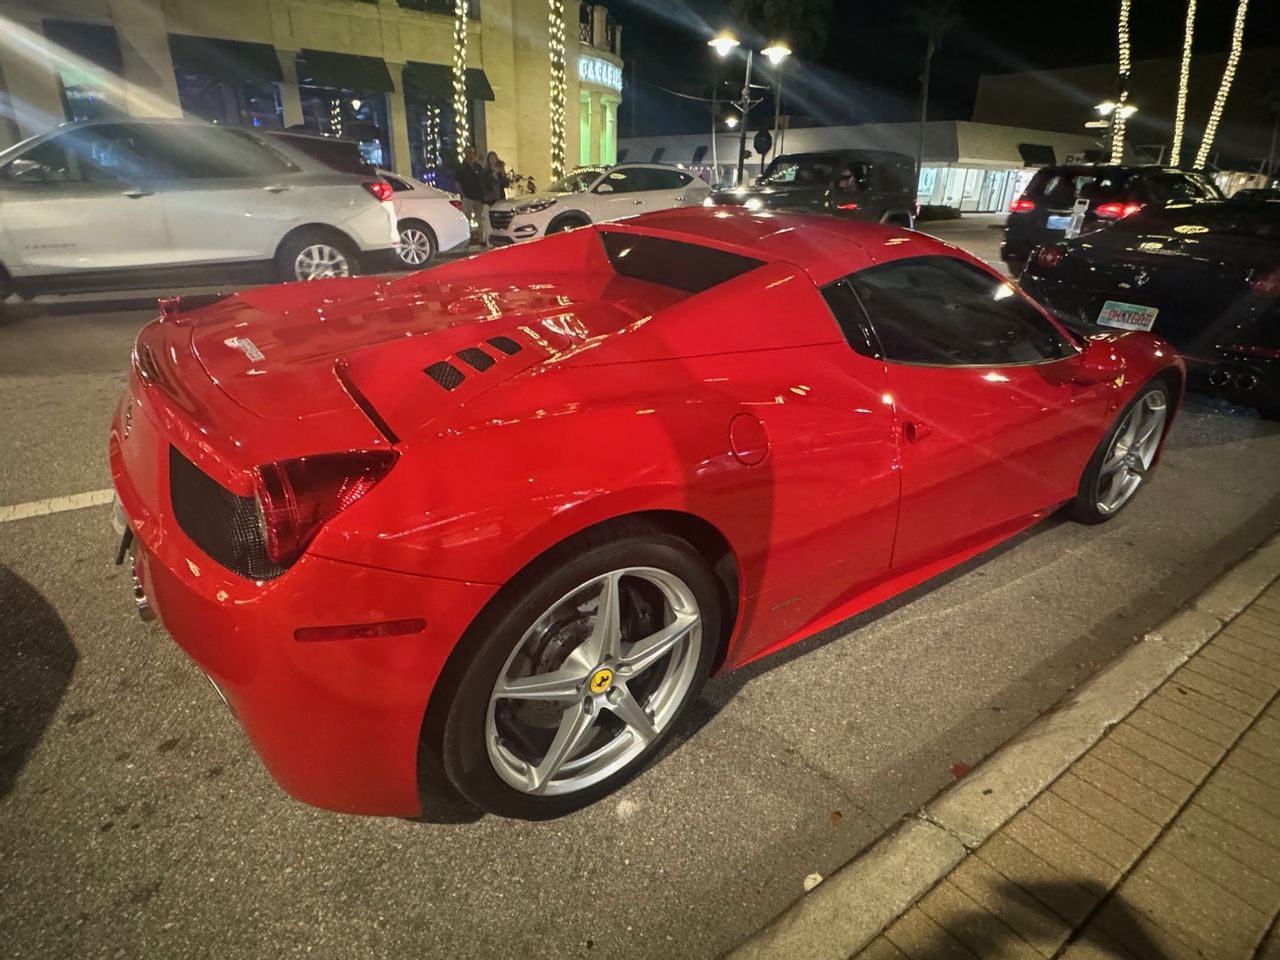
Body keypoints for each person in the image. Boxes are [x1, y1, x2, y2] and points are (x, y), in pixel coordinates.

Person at [453, 144, 485, 245]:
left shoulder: (477, 166)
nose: (471, 155)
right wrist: (462, 194)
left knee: (480, 218)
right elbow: (457, 182)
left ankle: (481, 238)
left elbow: (484, 176)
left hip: (478, 197)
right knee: (467, 218)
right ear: (465, 154)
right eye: (469, 153)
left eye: (472, 152)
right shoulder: (461, 167)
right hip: (467, 197)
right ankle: (468, 239)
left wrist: (480, 163)